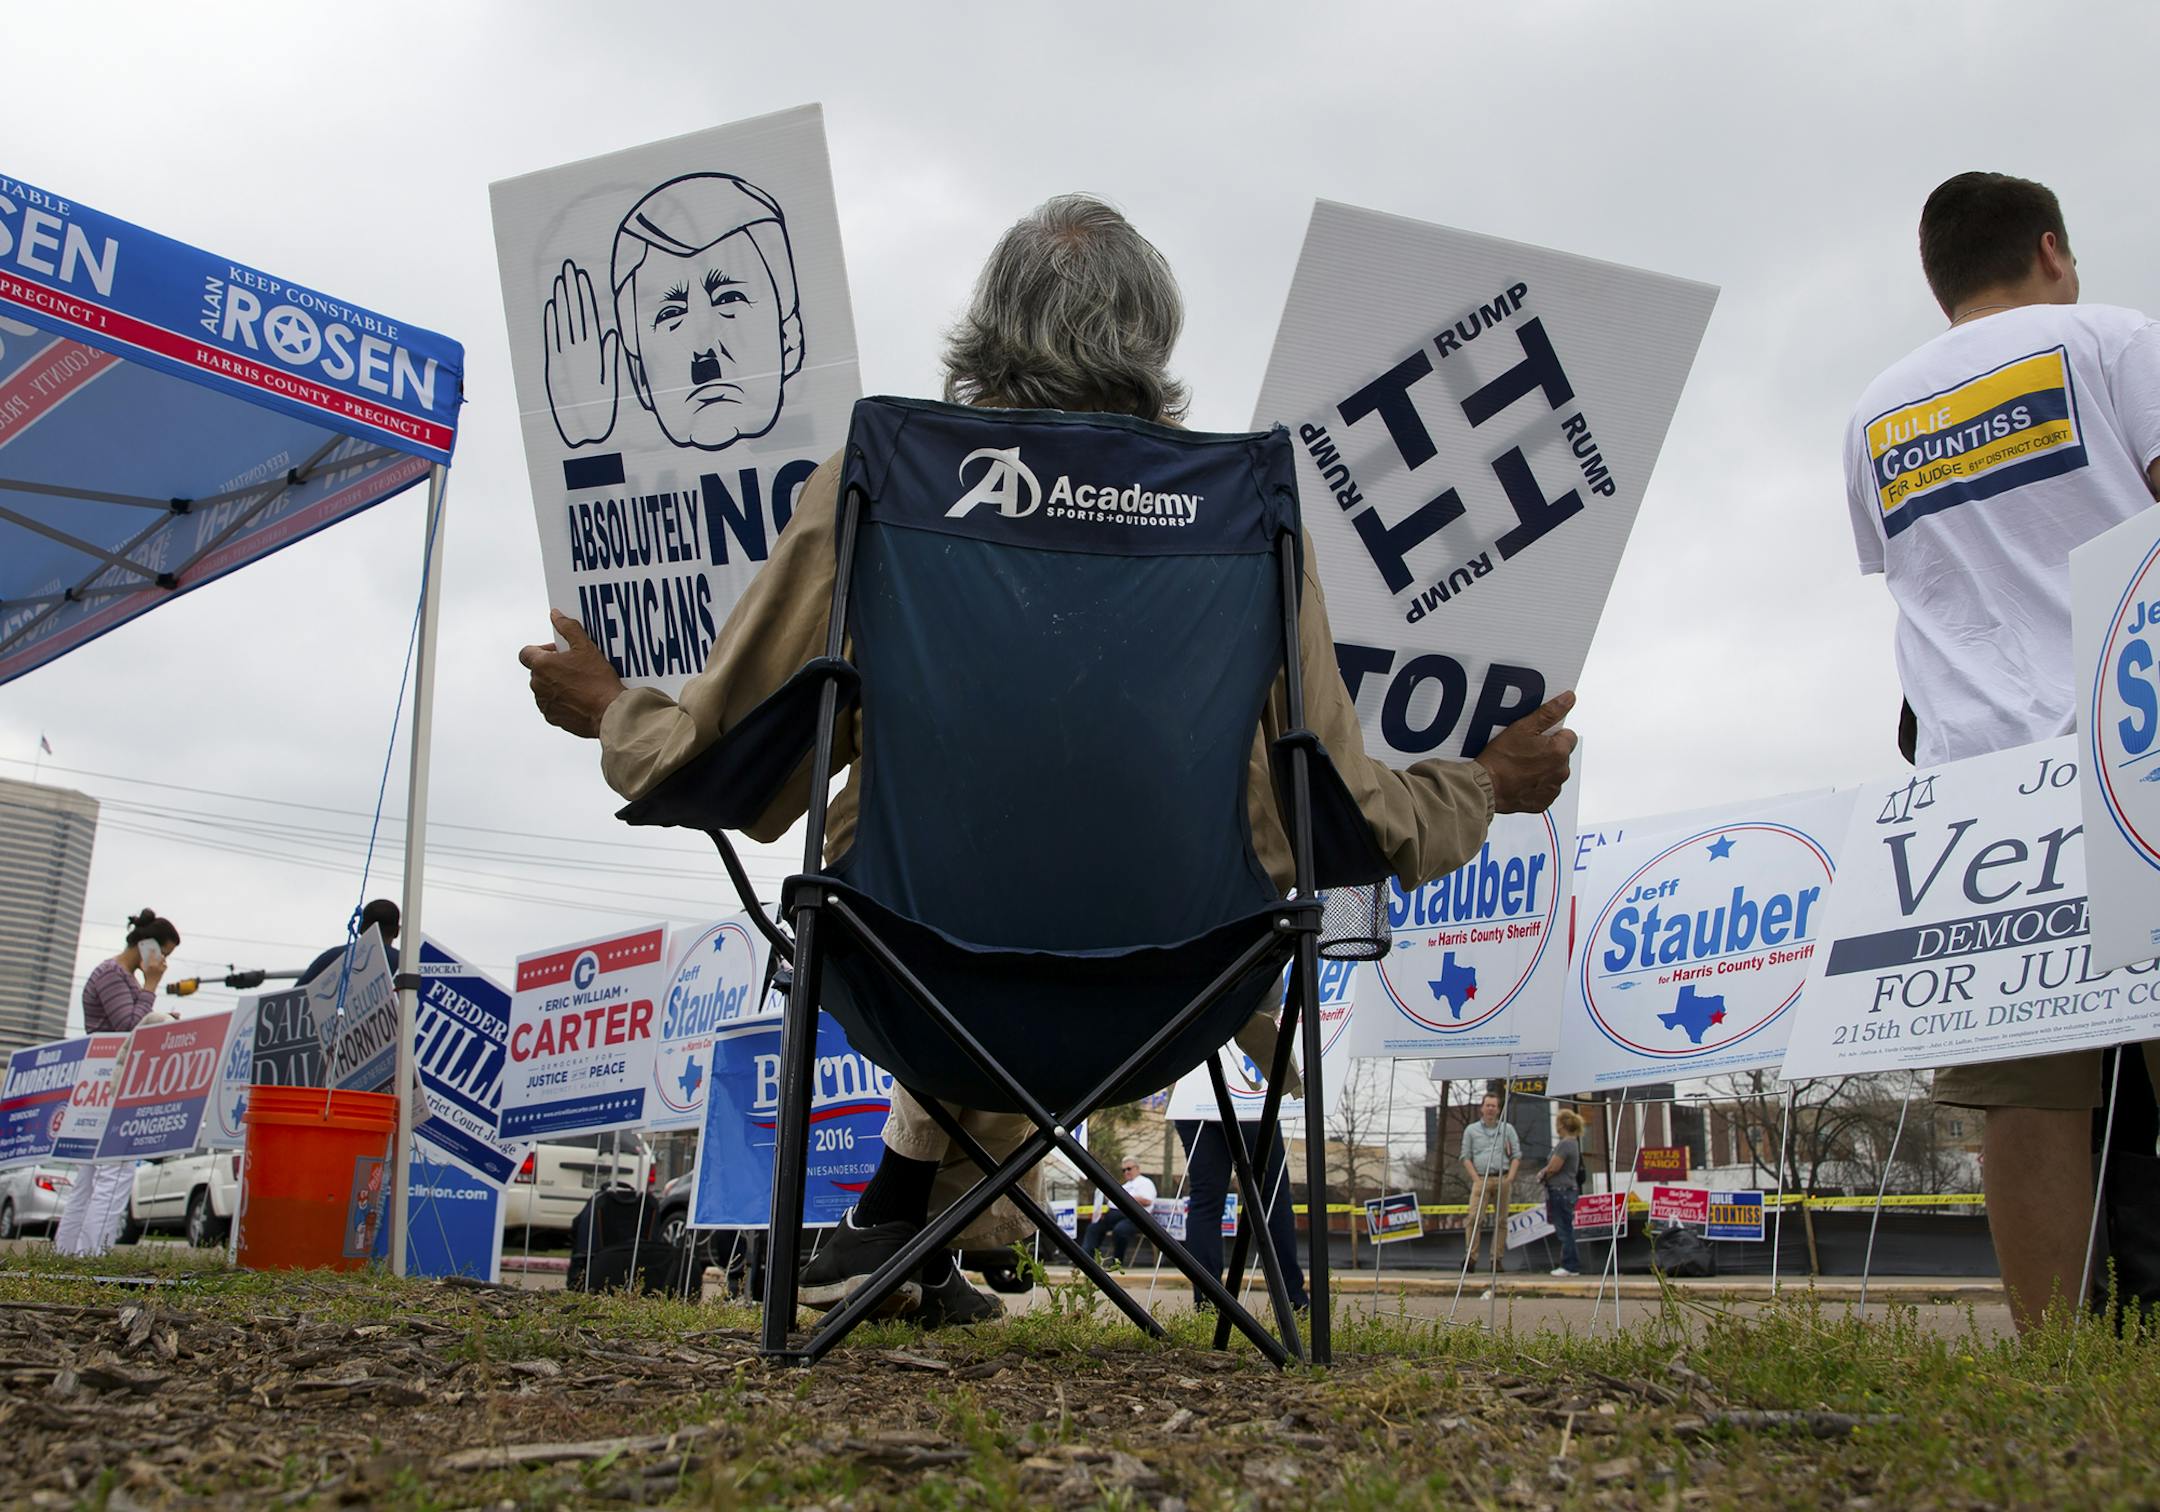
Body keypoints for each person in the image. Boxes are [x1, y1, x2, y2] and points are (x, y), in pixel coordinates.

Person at [522, 194, 1578, 1328]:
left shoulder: (879, 479)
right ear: (1154, 347)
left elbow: (727, 761)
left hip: (914, 975)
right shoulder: (1249, 513)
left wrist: (611, 710)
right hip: (1174, 995)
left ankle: (897, 1224)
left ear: (985, 332)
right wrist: (1488, 784)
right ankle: (906, 1229)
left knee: (949, 841)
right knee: (1087, 841)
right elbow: (1349, 817)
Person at [1844, 172, 2160, 1331]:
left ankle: (2062, 1361)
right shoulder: (2116, 342)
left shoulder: (1876, 412)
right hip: (2140, 742)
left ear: (1939, 282)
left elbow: (1928, 586)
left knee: (2028, 1096)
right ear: (2052, 248)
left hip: (1978, 794)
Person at [53, 909, 178, 1258]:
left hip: (100, 1080)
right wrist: (151, 986)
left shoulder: (120, 977)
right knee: (115, 1170)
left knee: (91, 1175)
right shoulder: (112, 974)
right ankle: (91, 1255)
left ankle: (69, 1253)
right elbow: (127, 1025)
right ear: (147, 945)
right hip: (111, 1081)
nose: (163, 962)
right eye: (163, 953)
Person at [1176, 1116, 1309, 1313]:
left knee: (1204, 1200)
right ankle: (1293, 1302)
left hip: (1193, 1102)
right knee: (1272, 1196)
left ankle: (1207, 1304)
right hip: (1246, 1100)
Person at [1459, 1092, 1520, 1275]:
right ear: (1482, 1108)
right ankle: (1471, 1257)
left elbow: (1516, 1155)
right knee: (1473, 1218)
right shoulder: (1471, 1130)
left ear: (1498, 1109)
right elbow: (1465, 1156)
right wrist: (1476, 1179)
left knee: (1501, 1221)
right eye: (1488, 1105)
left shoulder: (1507, 1129)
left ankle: (1497, 1259)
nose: (1491, 1109)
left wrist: (1510, 1178)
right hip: (1481, 1178)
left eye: (1494, 1106)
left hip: (1502, 1177)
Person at [296, 898, 401, 988]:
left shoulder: (330, 958)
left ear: (360, 928)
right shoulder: (405, 964)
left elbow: (293, 1000)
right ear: (396, 932)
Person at [1079, 1157, 1156, 1267]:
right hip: (1114, 1213)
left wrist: (1125, 1198)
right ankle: (1085, 1259)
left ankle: (1117, 1262)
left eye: (1129, 1169)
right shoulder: (1124, 1186)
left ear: (1137, 1168)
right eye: (1123, 1170)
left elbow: (1147, 1201)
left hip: (1135, 1216)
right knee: (1094, 1227)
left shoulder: (1145, 1183)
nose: (1126, 1172)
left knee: (1120, 1230)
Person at [1539, 1108, 1585, 1277]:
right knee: (1566, 1227)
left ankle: (1570, 1265)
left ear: (1563, 1125)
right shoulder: (1574, 1143)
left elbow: (1555, 1166)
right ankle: (1570, 1263)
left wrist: (1543, 1175)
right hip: (1567, 1190)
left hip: (1561, 1190)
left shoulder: (1566, 1143)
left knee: (1564, 1228)